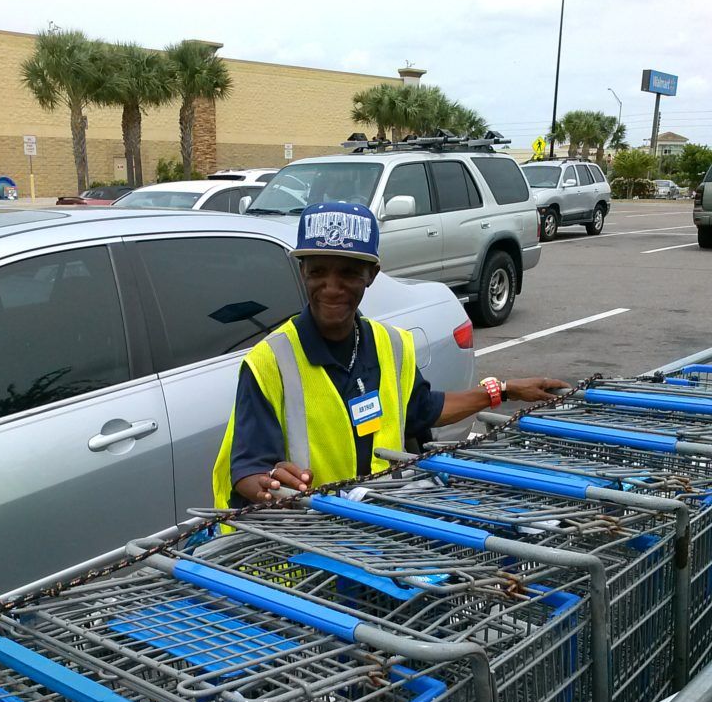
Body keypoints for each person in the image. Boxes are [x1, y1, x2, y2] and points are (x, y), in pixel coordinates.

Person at [213, 202, 568, 507]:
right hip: (310, 547)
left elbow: (423, 410)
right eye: (318, 271)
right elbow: (246, 468)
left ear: (371, 275)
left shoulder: (391, 346)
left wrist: (503, 391)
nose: (332, 287)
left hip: (378, 533)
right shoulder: (270, 361)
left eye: (349, 273)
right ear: (303, 271)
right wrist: (268, 482)